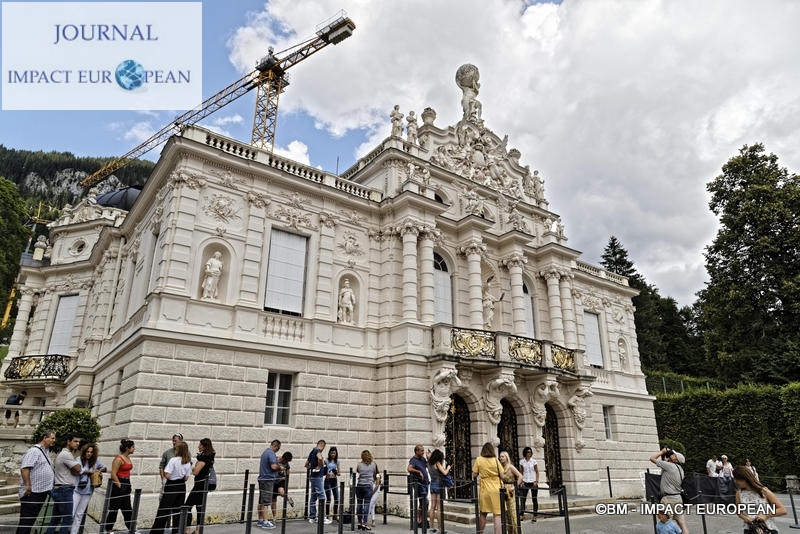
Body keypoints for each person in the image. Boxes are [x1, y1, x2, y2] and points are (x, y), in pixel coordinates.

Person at [17, 430, 56, 534]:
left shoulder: (45, 452)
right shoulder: (34, 451)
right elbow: (25, 469)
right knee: (26, 522)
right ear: (44, 438)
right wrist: (28, 485)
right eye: (52, 438)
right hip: (33, 492)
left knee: (29, 522)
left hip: (40, 492)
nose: (54, 440)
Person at [151, 441, 192, 534]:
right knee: (177, 511)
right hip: (181, 486)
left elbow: (168, 475)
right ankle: (177, 531)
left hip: (171, 486)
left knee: (163, 510)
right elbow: (186, 478)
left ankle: (156, 532)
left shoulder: (173, 460)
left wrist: (168, 475)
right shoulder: (188, 462)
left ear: (179, 450)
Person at [46, 433, 82, 534]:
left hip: (61, 489)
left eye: (78, 442)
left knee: (55, 520)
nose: (77, 444)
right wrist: (76, 467)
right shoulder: (66, 454)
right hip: (64, 490)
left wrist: (75, 469)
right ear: (68, 441)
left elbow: (75, 470)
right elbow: (78, 469)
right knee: (66, 520)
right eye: (75, 441)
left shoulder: (65, 454)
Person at [734, 465, 785, 533]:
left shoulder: (764, 491)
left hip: (767, 528)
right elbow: (739, 512)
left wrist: (766, 515)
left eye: (737, 479)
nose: (735, 481)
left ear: (745, 479)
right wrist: (745, 518)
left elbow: (782, 510)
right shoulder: (739, 493)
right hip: (750, 529)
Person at [649, 447, 689, 534]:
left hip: (668, 499)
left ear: (675, 458)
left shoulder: (669, 466)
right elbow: (662, 475)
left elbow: (652, 458)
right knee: (682, 523)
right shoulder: (681, 469)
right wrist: (666, 461)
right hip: (678, 498)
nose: (672, 455)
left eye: (674, 455)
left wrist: (662, 451)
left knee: (664, 522)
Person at [71, 442, 106, 534]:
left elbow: (105, 468)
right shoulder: (78, 459)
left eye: (91, 452)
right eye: (87, 452)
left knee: (79, 514)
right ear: (84, 452)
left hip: (88, 491)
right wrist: (90, 472)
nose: (89, 454)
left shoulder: (95, 461)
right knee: (71, 513)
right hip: (77, 490)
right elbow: (78, 470)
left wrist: (99, 470)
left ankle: (74, 532)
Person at [103, 439, 135, 534]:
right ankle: (109, 530)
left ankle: (131, 528)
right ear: (127, 448)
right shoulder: (118, 459)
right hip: (119, 483)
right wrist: (119, 485)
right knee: (114, 508)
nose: (134, 449)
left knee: (128, 508)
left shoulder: (128, 458)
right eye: (133, 447)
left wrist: (127, 485)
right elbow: (113, 474)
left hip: (126, 482)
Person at [184, 438, 215, 534]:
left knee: (187, 507)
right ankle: (198, 530)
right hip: (203, 486)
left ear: (204, 446)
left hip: (199, 486)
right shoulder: (209, 457)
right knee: (199, 508)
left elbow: (196, 472)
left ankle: (187, 530)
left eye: (200, 445)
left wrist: (192, 468)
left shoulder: (204, 458)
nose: (198, 446)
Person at [472, 442, 503, 534]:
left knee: (483, 513)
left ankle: (480, 532)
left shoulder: (479, 460)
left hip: (485, 489)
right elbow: (502, 475)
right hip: (496, 488)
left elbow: (474, 474)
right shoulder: (496, 460)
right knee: (497, 514)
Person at [257, 439, 282, 529]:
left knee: (261, 501)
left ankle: (260, 520)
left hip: (263, 479)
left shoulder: (265, 452)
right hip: (268, 480)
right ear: (275, 446)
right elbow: (273, 466)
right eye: (278, 449)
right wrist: (280, 468)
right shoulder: (271, 453)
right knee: (266, 502)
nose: (277, 450)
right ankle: (265, 521)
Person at [306, 439, 331, 524]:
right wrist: (319, 466)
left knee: (313, 496)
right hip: (318, 477)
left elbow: (306, 464)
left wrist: (312, 467)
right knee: (321, 495)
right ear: (322, 445)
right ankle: (322, 517)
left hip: (312, 476)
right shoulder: (317, 450)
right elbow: (320, 458)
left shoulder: (312, 451)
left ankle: (312, 517)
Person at [498, 451, 523, 534]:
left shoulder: (510, 467)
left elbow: (520, 476)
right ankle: (510, 532)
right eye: (500, 457)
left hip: (510, 490)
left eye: (502, 456)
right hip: (502, 490)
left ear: (506, 457)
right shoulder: (500, 467)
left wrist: (515, 487)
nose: (501, 458)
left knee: (512, 511)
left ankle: (517, 531)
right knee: (506, 512)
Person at [427, 449, 450, 533]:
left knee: (432, 507)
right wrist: (448, 468)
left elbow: (428, 457)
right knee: (439, 507)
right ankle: (440, 529)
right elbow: (444, 472)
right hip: (439, 484)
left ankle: (431, 527)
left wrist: (428, 455)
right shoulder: (437, 463)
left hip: (432, 484)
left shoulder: (429, 463)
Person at [407, 445, 430, 527]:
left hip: (425, 483)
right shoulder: (413, 460)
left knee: (423, 503)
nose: (423, 452)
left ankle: (420, 520)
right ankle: (420, 520)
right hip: (419, 484)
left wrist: (428, 458)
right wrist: (418, 472)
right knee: (424, 501)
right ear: (416, 451)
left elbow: (429, 466)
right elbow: (409, 469)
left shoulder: (423, 459)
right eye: (421, 451)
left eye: (423, 450)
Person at [356, 450, 378, 531]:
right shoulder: (374, 464)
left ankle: (359, 522)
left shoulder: (359, 465)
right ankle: (365, 523)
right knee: (366, 504)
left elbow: (358, 473)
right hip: (368, 486)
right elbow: (374, 474)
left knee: (359, 503)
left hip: (359, 485)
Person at [518, 446, 540, 522]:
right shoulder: (522, 461)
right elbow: (521, 472)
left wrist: (536, 481)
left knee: (534, 499)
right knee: (523, 499)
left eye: (530, 452)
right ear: (525, 453)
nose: (529, 453)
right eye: (528, 452)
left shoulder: (534, 461)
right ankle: (521, 514)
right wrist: (521, 481)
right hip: (525, 481)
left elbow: (537, 471)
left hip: (533, 482)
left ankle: (535, 515)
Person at [325, 447, 340, 520]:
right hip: (327, 480)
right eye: (331, 453)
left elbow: (339, 472)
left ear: (336, 453)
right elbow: (324, 470)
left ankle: (335, 515)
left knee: (337, 498)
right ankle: (327, 515)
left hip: (334, 480)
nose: (333, 454)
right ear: (329, 453)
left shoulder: (337, 461)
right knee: (328, 499)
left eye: (334, 453)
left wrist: (336, 472)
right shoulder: (326, 461)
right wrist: (327, 473)